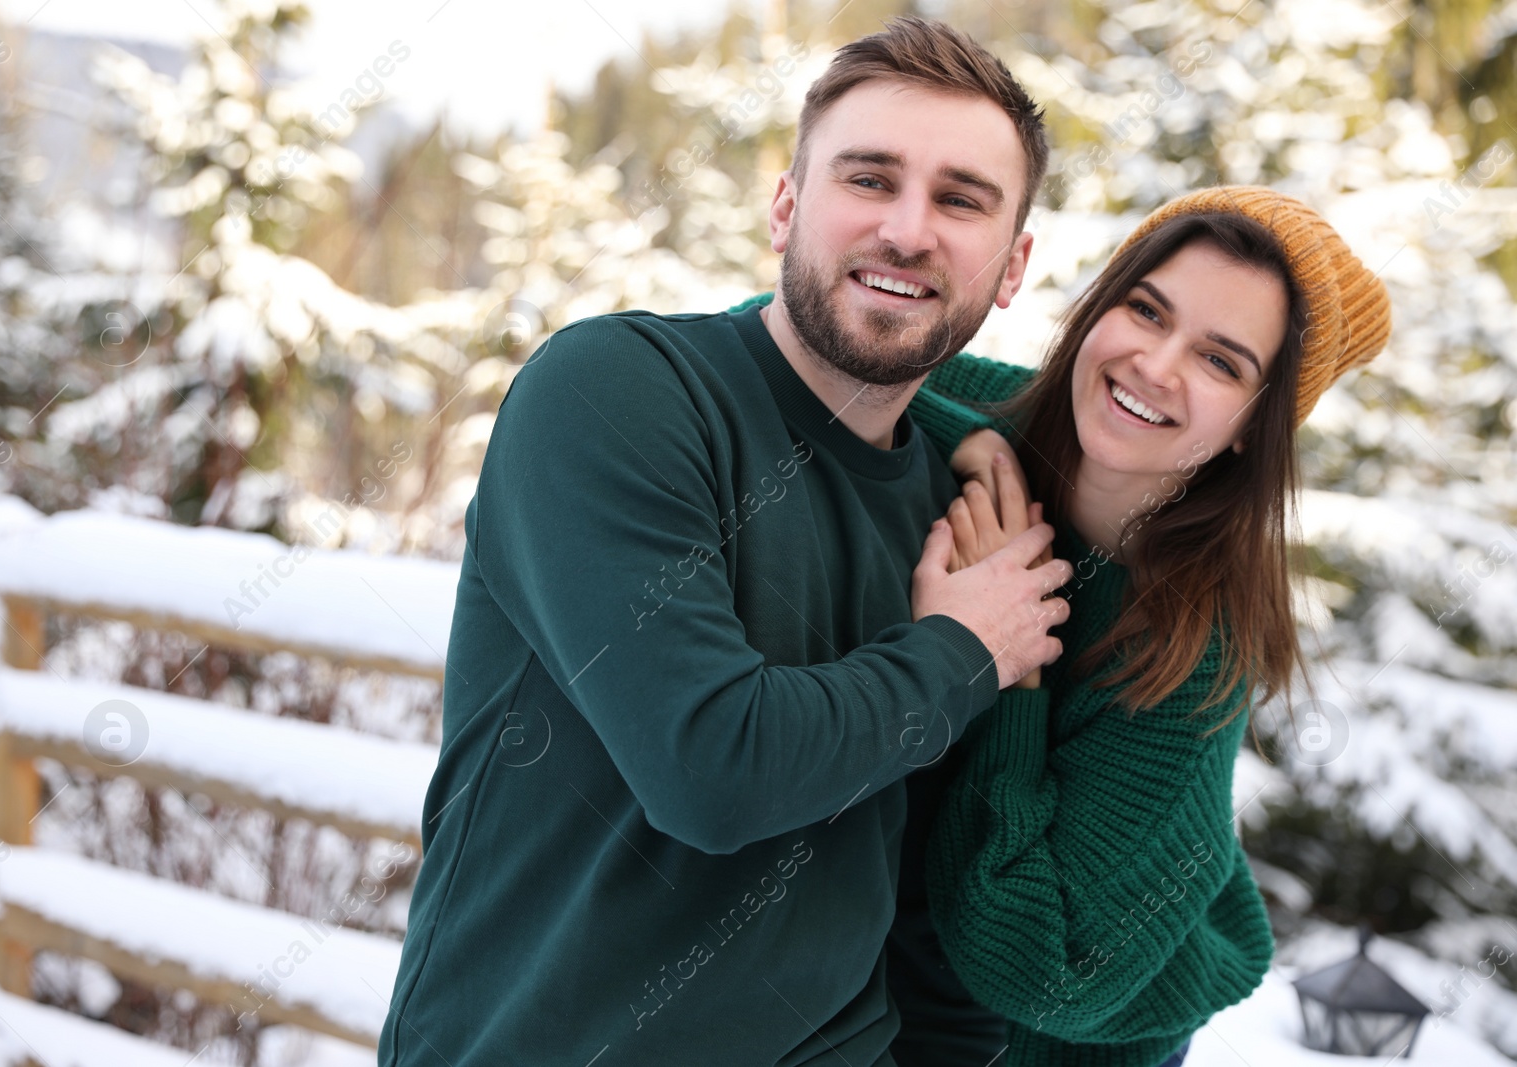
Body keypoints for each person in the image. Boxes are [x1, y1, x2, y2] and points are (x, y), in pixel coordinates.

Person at [379, 19, 1077, 1067]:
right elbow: (709, 765)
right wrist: (961, 648)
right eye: (869, 178)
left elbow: (929, 895)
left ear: (1011, 264)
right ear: (786, 204)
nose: (906, 228)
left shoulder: (959, 512)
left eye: (961, 199)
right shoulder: (616, 393)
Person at [902, 186, 1393, 1065]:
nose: (1155, 366)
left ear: (1254, 426)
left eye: (1221, 362)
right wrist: (974, 438)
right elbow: (794, 340)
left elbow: (1043, 972)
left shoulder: (1191, 650)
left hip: (1066, 1035)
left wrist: (1008, 658)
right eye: (1146, 309)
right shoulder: (991, 404)